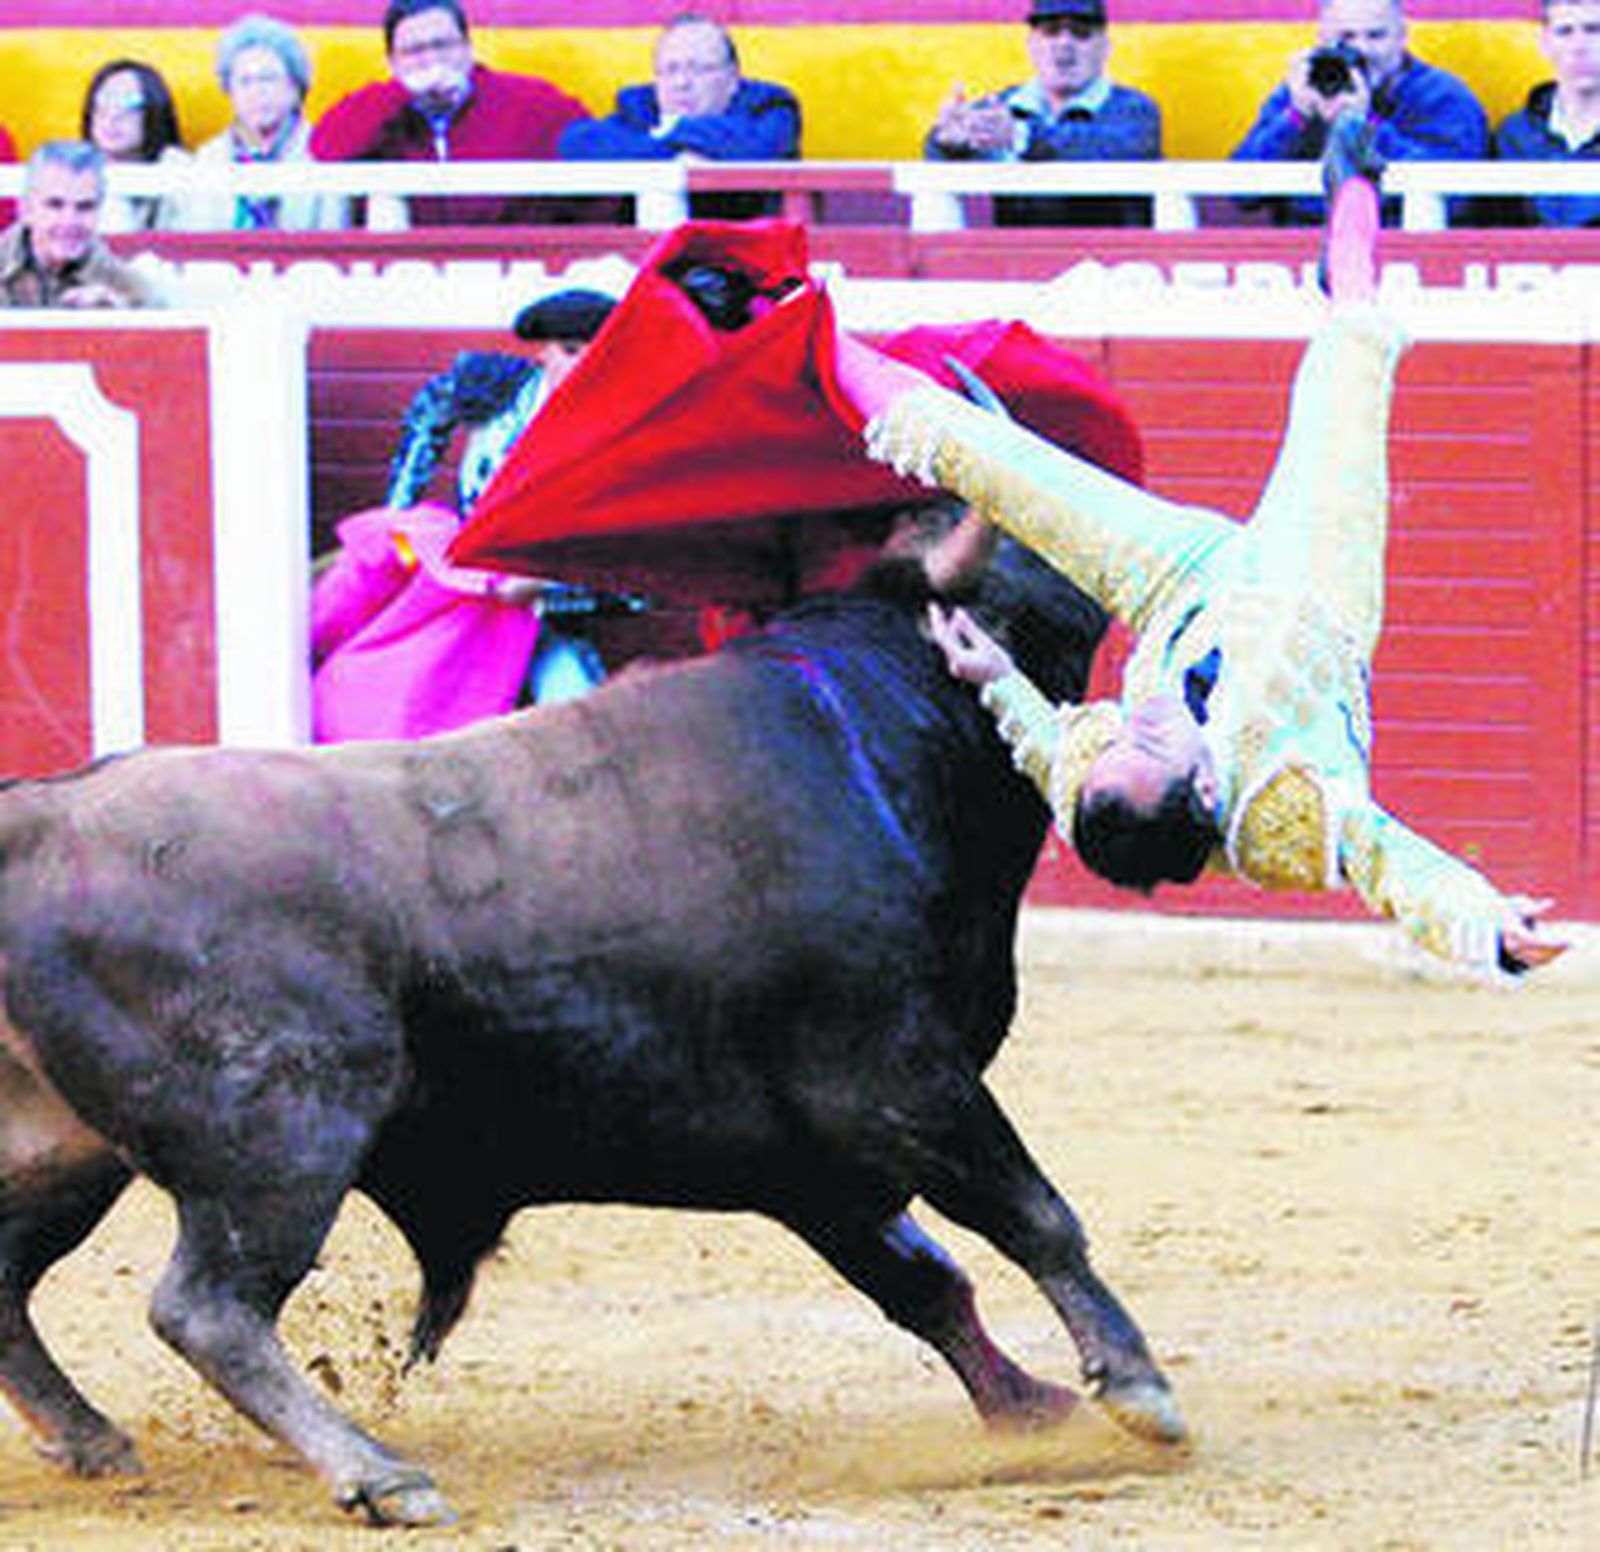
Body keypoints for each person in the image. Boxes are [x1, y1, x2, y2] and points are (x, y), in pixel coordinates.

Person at [834, 115, 1563, 980]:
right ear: (1209, 791)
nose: (1125, 727)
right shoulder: (1281, 810)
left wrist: (995, 676)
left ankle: (792, 327)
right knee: (1349, 352)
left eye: (1113, 748)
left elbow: (1042, 747)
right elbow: (1392, 865)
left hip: (1176, 591)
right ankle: (1357, 203)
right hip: (1311, 586)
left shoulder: (1100, 793)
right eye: (1147, 748)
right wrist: (1488, 927)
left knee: (997, 469)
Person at [310, 287, 619, 742]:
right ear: (543, 352)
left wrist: (546, 586)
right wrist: (399, 515)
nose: (582, 366)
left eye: (598, 354)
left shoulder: (619, 421)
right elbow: (429, 416)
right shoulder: (494, 388)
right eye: (570, 352)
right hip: (461, 587)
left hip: (540, 610)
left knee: (575, 713)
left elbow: (623, 566)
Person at [310, 0, 590, 227]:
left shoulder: (531, 102)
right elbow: (325, 148)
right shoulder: (379, 109)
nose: (432, 61)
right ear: (392, 62)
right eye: (414, 51)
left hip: (513, 266)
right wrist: (401, 93)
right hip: (410, 271)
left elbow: (589, 152)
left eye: (443, 45)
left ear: (468, 48)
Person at [1230, 0, 1488, 225]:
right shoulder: (1302, 92)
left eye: (1375, 36)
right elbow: (1241, 193)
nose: (1362, 49)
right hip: (1308, 244)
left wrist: (1364, 125)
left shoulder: (1443, 96)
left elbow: (1455, 196)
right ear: (1322, 40)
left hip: (1403, 243)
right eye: (1347, 37)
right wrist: (1294, 119)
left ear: (1402, 36)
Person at [924, 0, 1161, 228]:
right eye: (1051, 31)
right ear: (1032, 45)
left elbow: (1118, 147)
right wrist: (948, 141)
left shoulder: (1136, 110)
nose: (1064, 44)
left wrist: (1023, 136)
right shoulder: (1002, 107)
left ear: (1105, 47)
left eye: (1081, 33)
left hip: (1110, 263)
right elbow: (942, 150)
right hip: (1017, 261)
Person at [558, 13, 801, 220]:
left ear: (733, 78)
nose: (681, 83)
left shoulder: (770, 105)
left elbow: (759, 149)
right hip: (650, 255)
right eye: (670, 70)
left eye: (698, 69)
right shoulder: (641, 105)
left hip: (747, 255)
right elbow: (576, 143)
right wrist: (674, 154)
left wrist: (665, 135)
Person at [168, 13, 349, 232]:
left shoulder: (321, 154)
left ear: (295, 88)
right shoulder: (209, 158)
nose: (257, 92)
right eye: (245, 82)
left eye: (268, 79)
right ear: (230, 92)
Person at [0, 141, 164, 308]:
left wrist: (116, 317)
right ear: (26, 210)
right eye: (55, 205)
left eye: (84, 207)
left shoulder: (128, 290)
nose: (70, 221)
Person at [1485, 0, 1600, 227]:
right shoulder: (1515, 135)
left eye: (1594, 30)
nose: (1579, 46)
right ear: (1544, 43)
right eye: (1564, 32)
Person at [80, 58, 189, 233]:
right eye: (103, 103)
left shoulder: (178, 169)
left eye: (128, 104)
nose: (112, 117)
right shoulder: (74, 171)